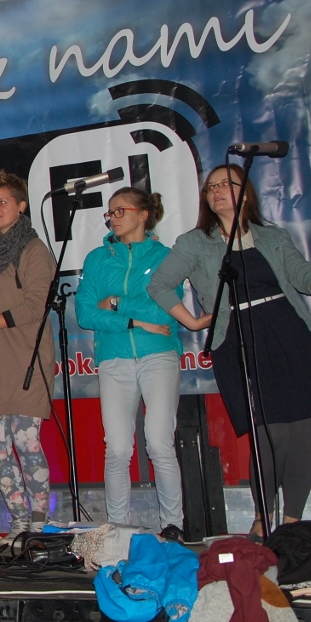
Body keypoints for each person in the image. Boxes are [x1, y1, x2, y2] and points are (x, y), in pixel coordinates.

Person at [149, 164, 311, 534]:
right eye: (211, 187)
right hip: (239, 339)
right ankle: (263, 520)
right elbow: (160, 285)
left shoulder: (272, 235)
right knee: (269, 434)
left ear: (245, 193)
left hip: (289, 331)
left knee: (301, 433)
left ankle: (293, 525)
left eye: (225, 184)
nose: (216, 191)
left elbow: (299, 271)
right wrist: (193, 321)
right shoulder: (195, 242)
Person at [76, 188, 184, 539]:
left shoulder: (166, 256)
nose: (113, 218)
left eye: (120, 210)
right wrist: (134, 320)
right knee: (118, 448)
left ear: (143, 214)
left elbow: (165, 310)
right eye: (110, 213)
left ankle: (174, 526)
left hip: (158, 354)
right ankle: (117, 529)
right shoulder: (97, 258)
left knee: (159, 442)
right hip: (114, 358)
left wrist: (116, 302)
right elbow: (85, 314)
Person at [0, 171, 56, 535]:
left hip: (27, 356)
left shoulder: (34, 250)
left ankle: (40, 521)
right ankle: (19, 520)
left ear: (22, 206)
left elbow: (36, 306)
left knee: (25, 440)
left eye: (3, 202)